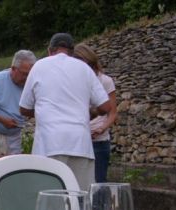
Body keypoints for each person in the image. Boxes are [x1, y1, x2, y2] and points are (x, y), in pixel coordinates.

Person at [19, 33, 111, 191]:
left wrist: (43, 112)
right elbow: (105, 107)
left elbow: (24, 108)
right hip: (81, 145)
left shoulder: (39, 66)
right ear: (72, 51)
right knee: (80, 200)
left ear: (49, 50)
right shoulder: (84, 68)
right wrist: (88, 112)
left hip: (50, 144)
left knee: (49, 200)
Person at [0, 50, 36, 159]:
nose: (27, 78)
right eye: (24, 74)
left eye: (30, 75)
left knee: (11, 171)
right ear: (13, 68)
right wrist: (3, 120)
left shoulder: (30, 85)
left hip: (14, 136)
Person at [74, 43, 117, 182]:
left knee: (98, 184)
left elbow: (112, 112)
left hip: (99, 141)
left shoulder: (105, 81)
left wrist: (101, 128)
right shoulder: (72, 82)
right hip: (78, 140)